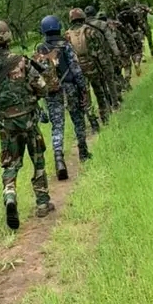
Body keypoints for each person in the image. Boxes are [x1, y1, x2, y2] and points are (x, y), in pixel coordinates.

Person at [0, 20, 53, 230]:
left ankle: (10, 195)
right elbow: (42, 88)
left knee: (10, 164)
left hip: (6, 126)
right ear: (8, 38)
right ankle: (42, 202)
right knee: (37, 159)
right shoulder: (22, 61)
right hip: (29, 120)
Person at [35, 14, 93, 180]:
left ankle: (59, 159)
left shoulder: (40, 48)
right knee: (78, 119)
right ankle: (83, 152)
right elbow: (76, 69)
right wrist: (83, 88)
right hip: (70, 88)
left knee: (57, 126)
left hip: (52, 92)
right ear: (58, 27)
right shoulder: (65, 45)